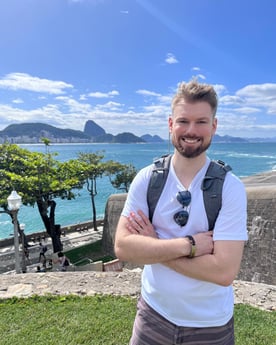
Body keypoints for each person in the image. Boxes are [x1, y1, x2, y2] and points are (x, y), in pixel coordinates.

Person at [114, 79, 248, 345]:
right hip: (153, 314)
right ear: (170, 124)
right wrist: (190, 245)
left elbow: (223, 272)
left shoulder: (230, 188)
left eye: (201, 122)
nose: (191, 130)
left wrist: (153, 246)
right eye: (183, 121)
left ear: (214, 126)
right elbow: (123, 247)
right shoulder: (147, 179)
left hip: (210, 325)